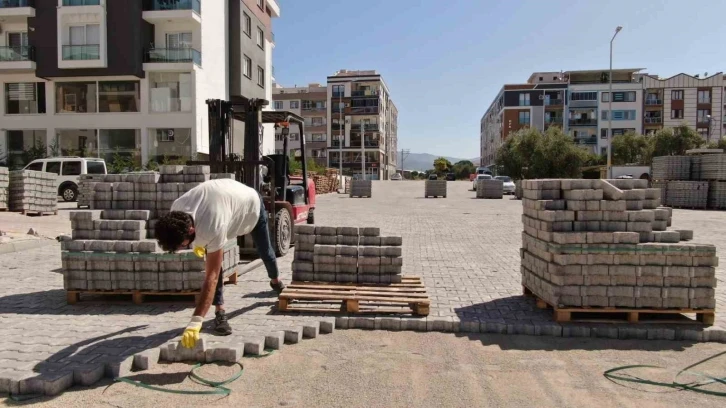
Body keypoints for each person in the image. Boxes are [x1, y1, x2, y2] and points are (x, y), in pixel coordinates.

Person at [154, 178, 286, 349]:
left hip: (251, 207)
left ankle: (275, 281)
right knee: (214, 258)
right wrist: (196, 244)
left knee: (265, 251)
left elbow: (212, 277)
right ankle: (220, 312)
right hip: (227, 202)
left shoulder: (212, 224)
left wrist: (196, 321)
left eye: (182, 245)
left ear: (191, 230)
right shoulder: (177, 209)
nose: (181, 249)